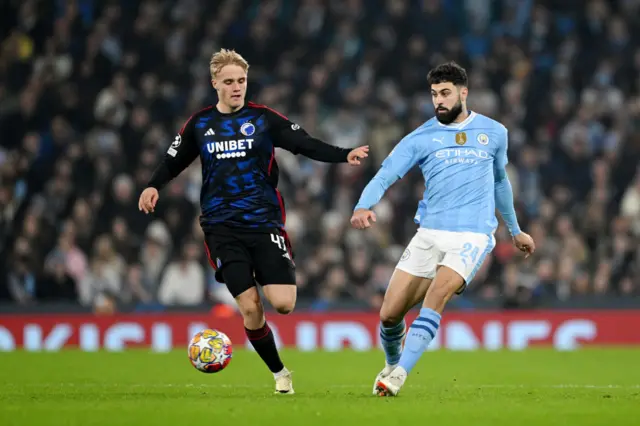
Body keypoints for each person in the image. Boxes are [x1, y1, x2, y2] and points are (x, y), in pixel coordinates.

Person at [139, 49, 369, 394]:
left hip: (264, 223)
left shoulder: (263, 119)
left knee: (284, 304)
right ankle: (280, 374)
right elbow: (174, 160)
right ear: (215, 83)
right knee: (249, 307)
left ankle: (273, 293)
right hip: (220, 226)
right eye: (229, 82)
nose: (236, 87)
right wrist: (153, 185)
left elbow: (303, 144)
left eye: (241, 81)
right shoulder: (200, 124)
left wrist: (343, 154)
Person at [350, 62, 535, 396]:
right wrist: (363, 205)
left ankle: (398, 376)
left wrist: (515, 229)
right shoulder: (420, 137)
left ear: (464, 93)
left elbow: (499, 182)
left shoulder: (494, 132)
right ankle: (392, 363)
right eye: (434, 94)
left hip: (473, 235)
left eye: (445, 93)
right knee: (389, 315)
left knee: (437, 296)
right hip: (430, 233)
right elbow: (386, 174)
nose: (439, 100)